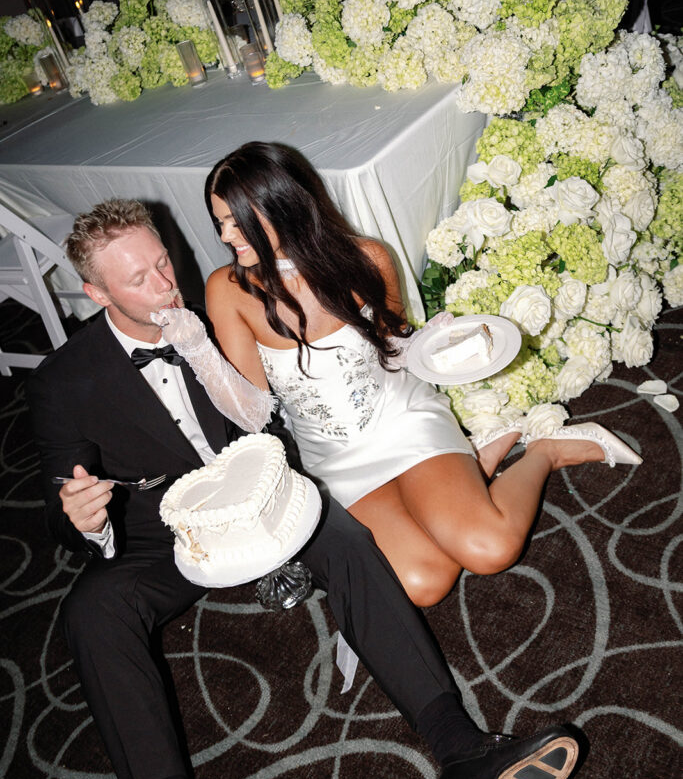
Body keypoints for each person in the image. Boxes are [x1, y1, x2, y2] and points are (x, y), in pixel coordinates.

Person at [27, 198, 583, 779]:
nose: (163, 286)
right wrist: (83, 517)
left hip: (273, 492)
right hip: (173, 534)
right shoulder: (62, 382)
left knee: (347, 539)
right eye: (138, 280)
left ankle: (462, 750)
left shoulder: (215, 310)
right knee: (90, 610)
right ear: (96, 292)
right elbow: (59, 512)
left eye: (163, 263)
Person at [155, 141, 642, 611]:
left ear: (285, 209)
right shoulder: (229, 289)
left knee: (491, 550)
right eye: (220, 222)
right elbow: (253, 411)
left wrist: (433, 344)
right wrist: (196, 346)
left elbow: (393, 347)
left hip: (402, 418)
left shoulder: (368, 257)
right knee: (424, 584)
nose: (226, 236)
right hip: (335, 456)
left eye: (239, 221)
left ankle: (544, 452)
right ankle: (478, 460)